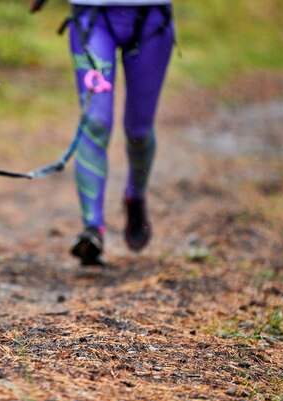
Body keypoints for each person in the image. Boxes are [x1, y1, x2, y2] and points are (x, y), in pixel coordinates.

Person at [63, 0, 175, 265]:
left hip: (151, 17)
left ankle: (135, 197)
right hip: (92, 14)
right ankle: (92, 229)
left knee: (138, 131)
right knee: (96, 122)